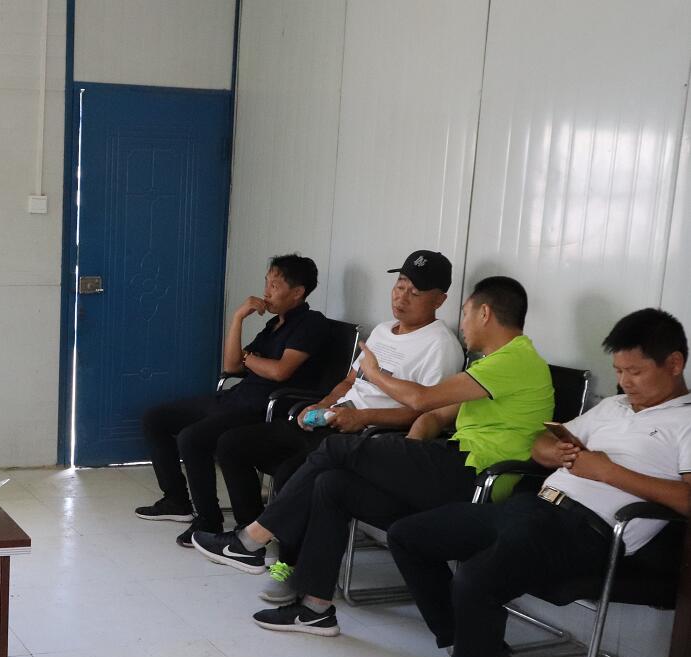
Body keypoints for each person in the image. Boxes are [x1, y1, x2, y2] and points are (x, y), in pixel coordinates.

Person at [387, 309, 691, 657]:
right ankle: (471, 650)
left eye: (636, 372)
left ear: (674, 364)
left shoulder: (686, 421)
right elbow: (542, 442)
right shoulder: (613, 407)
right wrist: (554, 451)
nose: (625, 382)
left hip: (587, 532)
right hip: (534, 507)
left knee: (477, 578)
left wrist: (608, 473)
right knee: (408, 536)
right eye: (619, 371)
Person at [193, 275, 554, 635]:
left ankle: (251, 540)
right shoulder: (492, 364)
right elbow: (435, 415)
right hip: (447, 463)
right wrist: (405, 455)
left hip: (474, 475)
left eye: (466, 313)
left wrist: (375, 375)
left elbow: (421, 400)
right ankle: (316, 608)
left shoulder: (514, 361)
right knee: (332, 485)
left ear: (485, 313)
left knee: (333, 450)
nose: (462, 324)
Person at [210, 251, 465, 575]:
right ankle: (251, 538)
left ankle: (286, 564)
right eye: (400, 286)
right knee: (233, 444)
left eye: (414, 292)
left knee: (291, 472)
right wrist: (324, 404)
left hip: (367, 436)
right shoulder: (383, 330)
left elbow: (425, 413)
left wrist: (362, 418)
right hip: (333, 419)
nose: (402, 297)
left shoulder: (440, 346)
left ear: (439, 300)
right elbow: (349, 381)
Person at [136, 254, 330, 547]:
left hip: (263, 407)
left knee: (192, 438)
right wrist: (238, 318)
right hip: (237, 397)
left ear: (297, 292)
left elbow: (280, 371)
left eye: (275, 285)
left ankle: (208, 520)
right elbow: (231, 365)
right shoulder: (273, 325)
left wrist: (249, 359)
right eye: (266, 283)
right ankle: (176, 500)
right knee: (155, 418)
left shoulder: (311, 324)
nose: (266, 292)